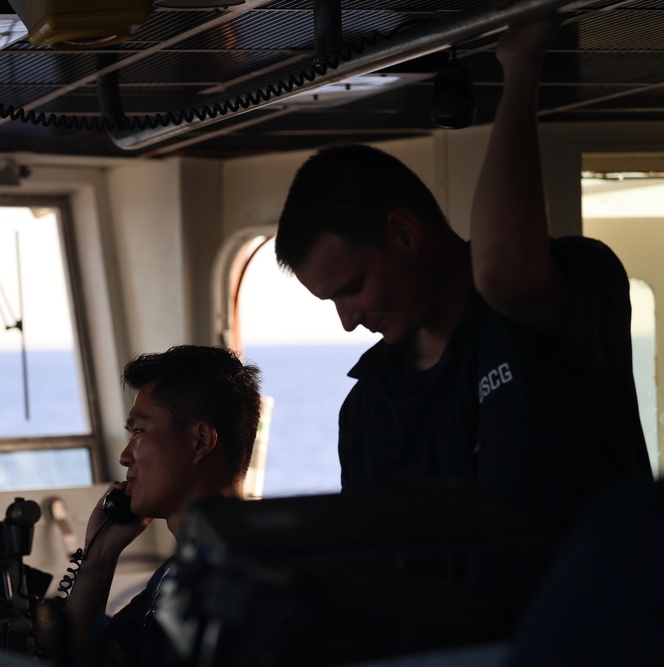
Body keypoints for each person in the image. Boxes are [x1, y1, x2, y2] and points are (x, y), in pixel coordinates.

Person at [273, 10, 652, 618]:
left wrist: (521, 70)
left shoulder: (572, 291)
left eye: (353, 287)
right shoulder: (368, 410)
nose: (348, 320)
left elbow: (502, 273)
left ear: (404, 231)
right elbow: (375, 580)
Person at [56, 344, 262, 666]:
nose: (125, 456)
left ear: (200, 442)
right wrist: (101, 552)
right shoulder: (175, 574)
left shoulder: (253, 583)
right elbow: (82, 659)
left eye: (139, 431)